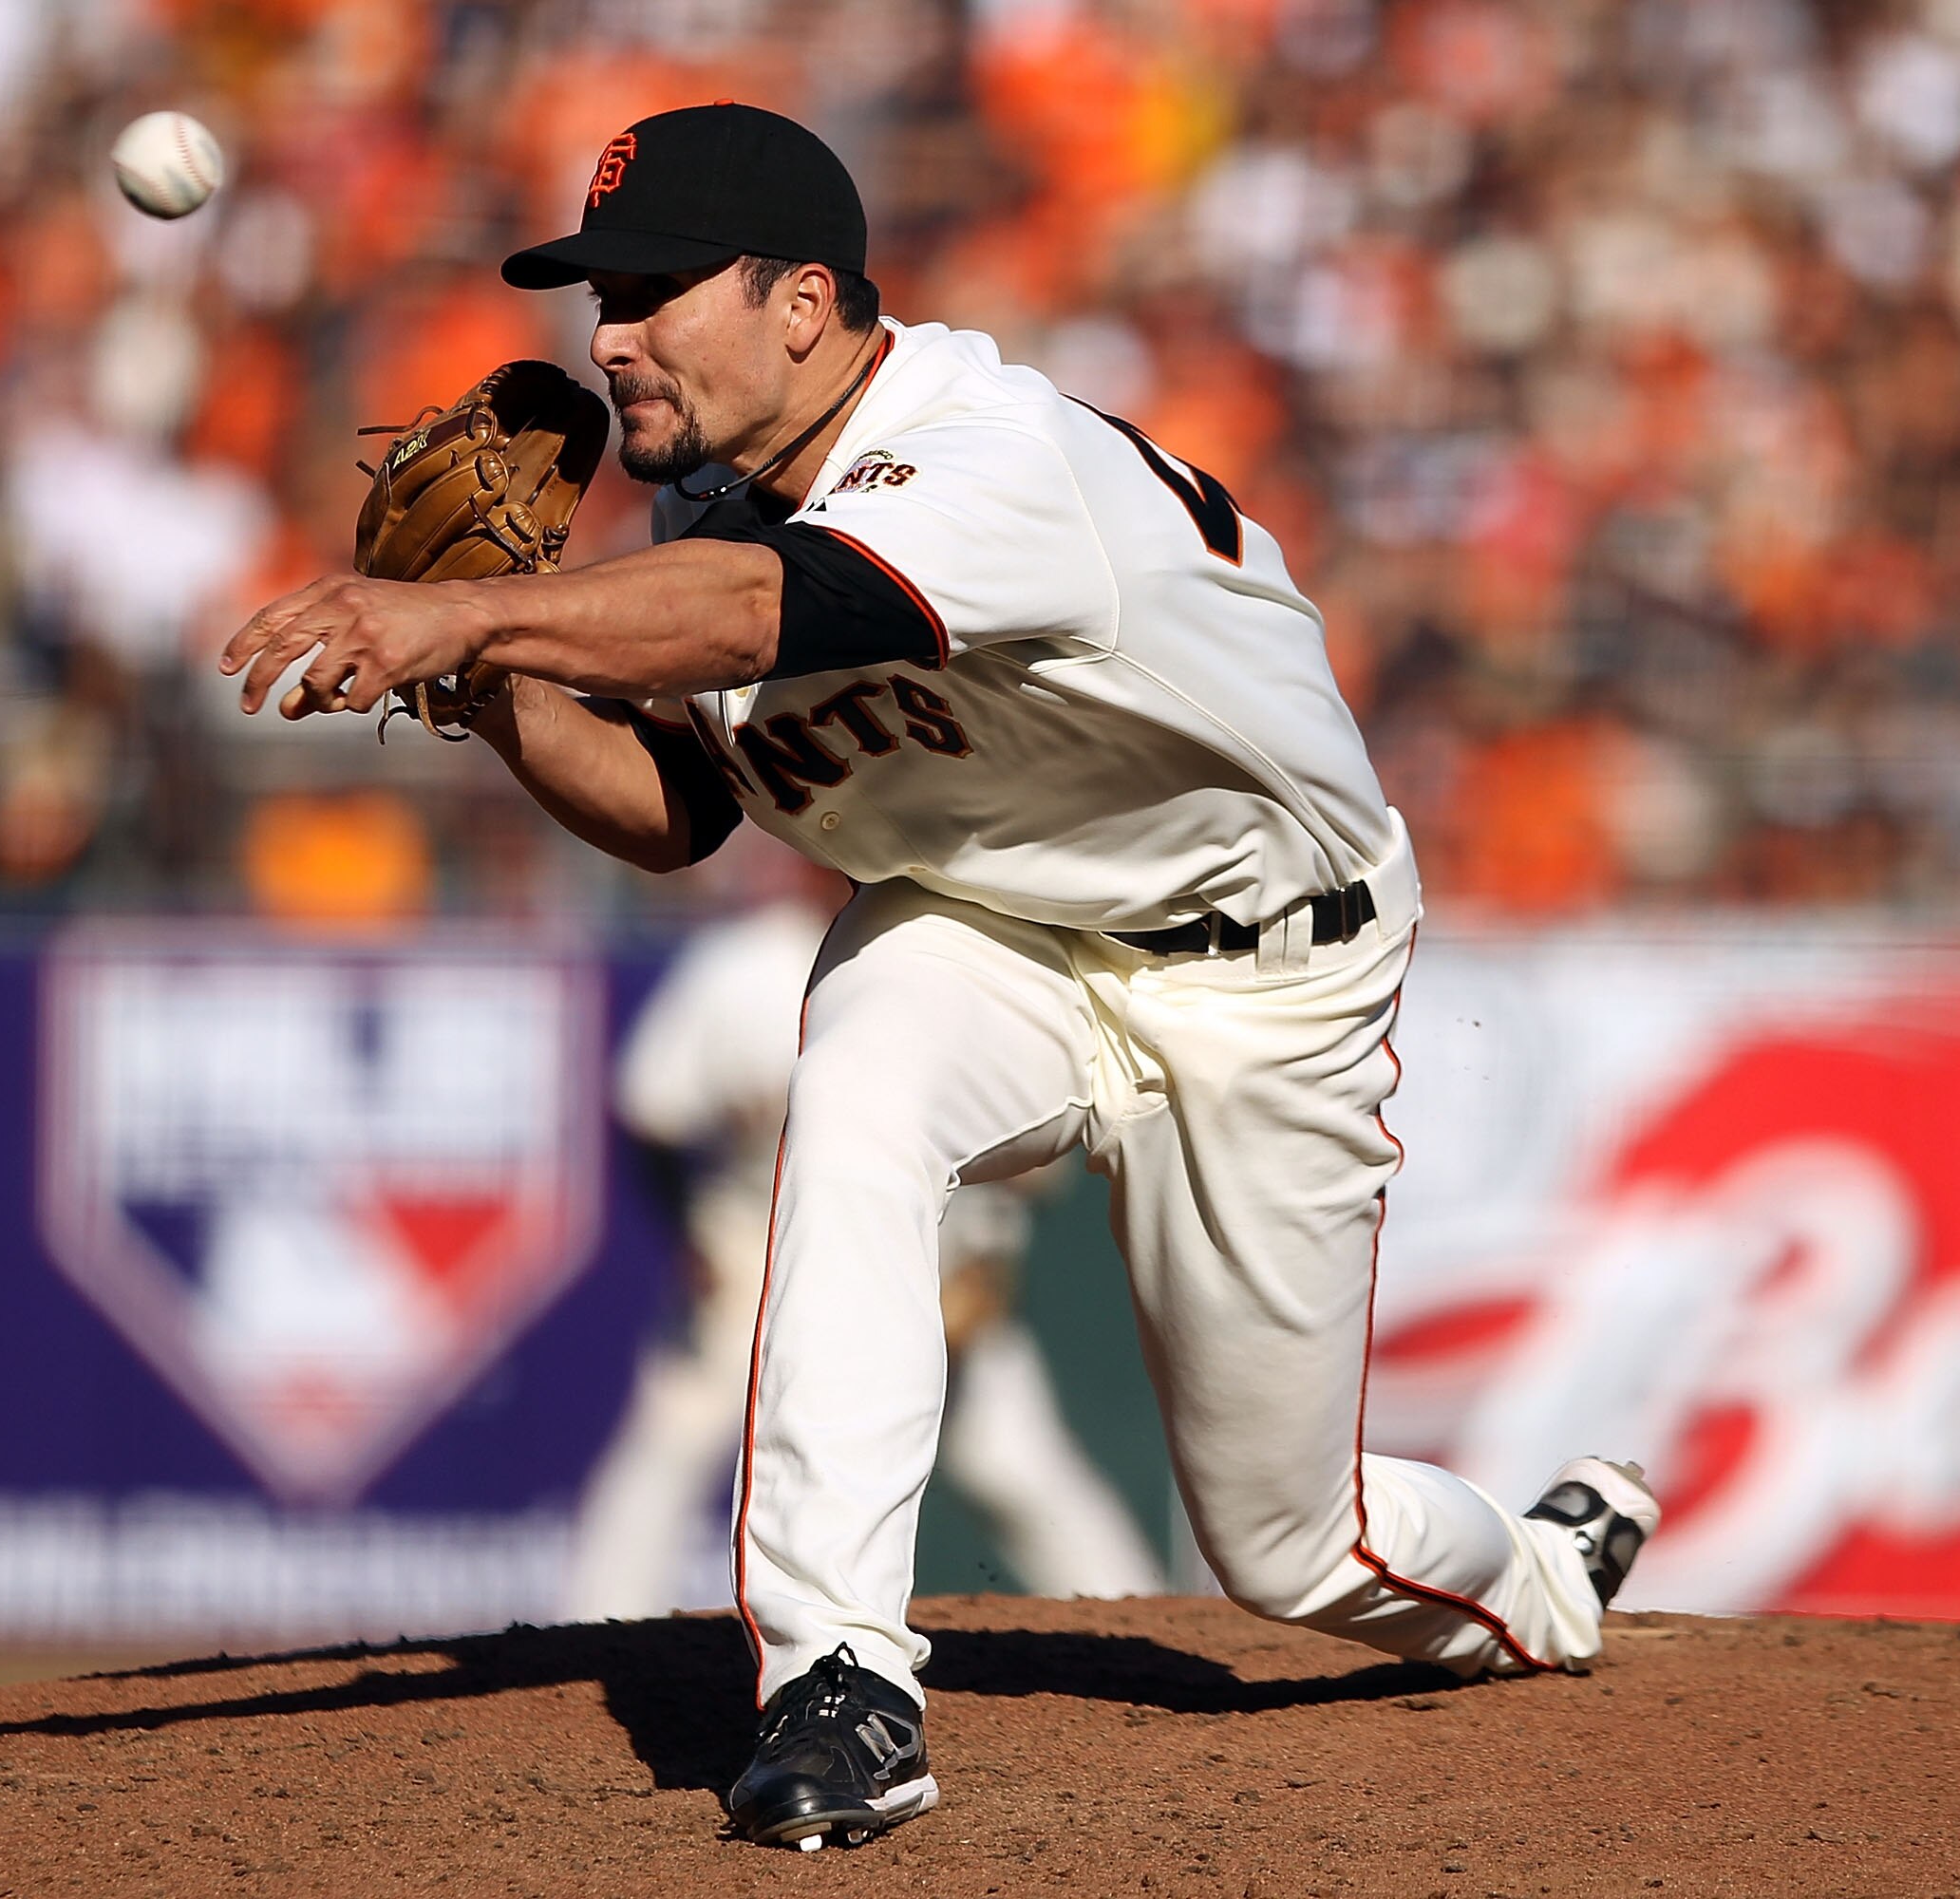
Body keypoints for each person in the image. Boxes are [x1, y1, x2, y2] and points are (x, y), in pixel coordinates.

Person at [219, 103, 1659, 1852]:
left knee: (1289, 1545)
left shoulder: (985, 449)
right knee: (858, 1079)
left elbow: (779, 609)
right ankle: (837, 1682)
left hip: (1262, 973)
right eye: (602, 296)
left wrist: (470, 616)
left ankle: (1546, 1574)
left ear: (805, 302)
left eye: (657, 291)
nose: (610, 337)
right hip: (993, 931)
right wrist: (496, 693)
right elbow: (680, 812)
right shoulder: (707, 510)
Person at [573, 862, 1165, 1625]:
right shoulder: (742, 968)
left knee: (1013, 1460)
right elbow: (650, 1111)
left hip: (939, 1254)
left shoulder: (973, 960)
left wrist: (991, 1267)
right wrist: (688, 1233)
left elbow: (1029, 1167)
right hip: (757, 1249)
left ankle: (1141, 1616)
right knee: (673, 1445)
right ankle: (594, 1628)